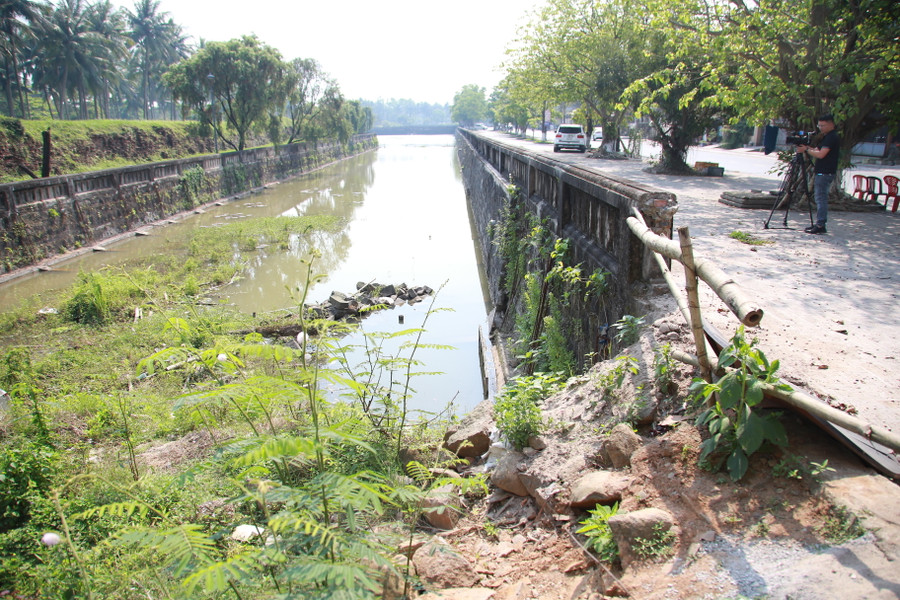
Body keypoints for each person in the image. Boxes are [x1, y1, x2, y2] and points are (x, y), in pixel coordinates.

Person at [796, 114, 840, 234]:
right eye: (819, 125)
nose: (820, 128)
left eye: (823, 125)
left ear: (831, 124)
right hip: (822, 171)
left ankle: (820, 224)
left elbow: (821, 154)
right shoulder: (826, 137)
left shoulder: (832, 137)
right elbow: (817, 150)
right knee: (819, 197)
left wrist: (806, 150)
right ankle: (819, 223)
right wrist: (807, 147)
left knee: (821, 198)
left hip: (825, 172)